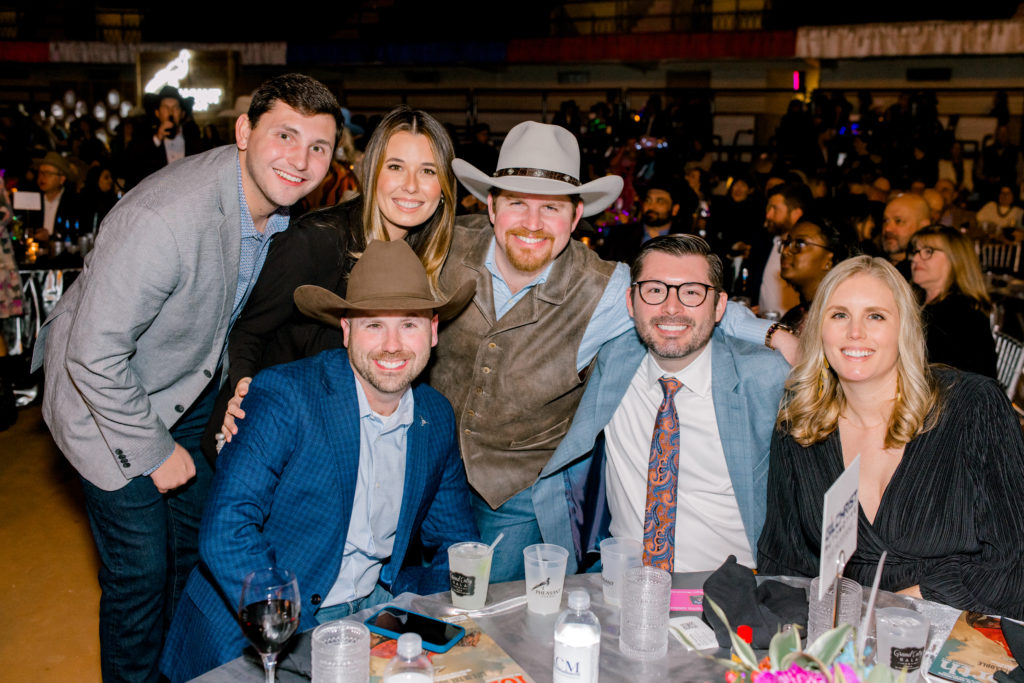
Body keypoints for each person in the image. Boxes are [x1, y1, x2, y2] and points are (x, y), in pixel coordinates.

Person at [32, 73, 341, 683]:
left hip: (181, 379)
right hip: (101, 391)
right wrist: (154, 450)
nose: (300, 160)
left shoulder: (276, 211)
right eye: (284, 135)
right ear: (243, 131)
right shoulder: (165, 218)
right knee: (140, 570)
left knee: (199, 543)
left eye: (318, 147)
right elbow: (93, 355)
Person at [428, 121, 797, 580]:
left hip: (515, 491)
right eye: (517, 203)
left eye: (552, 208)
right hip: (426, 468)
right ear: (490, 205)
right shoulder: (439, 248)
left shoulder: (605, 288)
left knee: (481, 614)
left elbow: (680, 301)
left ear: (576, 216)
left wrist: (772, 334)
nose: (533, 223)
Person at [160, 240, 480, 681]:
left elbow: (455, 541)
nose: (392, 346)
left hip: (375, 618)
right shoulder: (286, 396)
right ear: (346, 330)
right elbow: (226, 529)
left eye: (409, 324)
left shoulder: (435, 415)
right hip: (260, 630)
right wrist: (300, 633)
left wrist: (426, 610)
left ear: (433, 331)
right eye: (373, 326)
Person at [757, 256, 1024, 619]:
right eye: (839, 315)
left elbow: (1013, 562)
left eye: (875, 316)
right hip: (842, 640)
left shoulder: (972, 408)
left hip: (958, 629)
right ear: (819, 328)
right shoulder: (801, 423)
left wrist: (892, 606)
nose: (855, 333)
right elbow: (784, 560)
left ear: (905, 328)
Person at [218, 105, 456, 448]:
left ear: (444, 185)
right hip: (272, 434)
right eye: (395, 167)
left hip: (346, 445)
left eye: (428, 171)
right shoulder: (318, 241)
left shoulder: (428, 254)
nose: (411, 186)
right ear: (372, 172)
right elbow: (248, 330)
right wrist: (244, 392)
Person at [549, 235, 790, 571]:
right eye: (655, 290)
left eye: (691, 292)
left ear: (720, 306)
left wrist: (774, 334)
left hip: (733, 592)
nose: (671, 308)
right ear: (631, 302)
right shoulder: (611, 357)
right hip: (623, 584)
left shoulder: (765, 377)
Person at [909, 225, 997, 378]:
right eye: (916, 252)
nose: (915, 258)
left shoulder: (960, 313)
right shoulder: (921, 301)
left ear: (955, 258)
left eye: (928, 251)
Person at [778, 216, 856, 332]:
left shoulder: (842, 320)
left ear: (829, 260)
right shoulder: (793, 317)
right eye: (787, 243)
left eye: (800, 244)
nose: (785, 251)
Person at [597, 177, 685, 264]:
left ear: (675, 209)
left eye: (660, 201)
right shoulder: (619, 235)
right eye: (648, 200)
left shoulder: (684, 244)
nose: (651, 206)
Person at [881, 192, 931, 279]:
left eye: (898, 221)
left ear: (923, 227)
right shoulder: (872, 262)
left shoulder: (925, 277)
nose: (887, 228)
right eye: (886, 221)